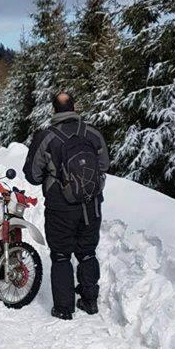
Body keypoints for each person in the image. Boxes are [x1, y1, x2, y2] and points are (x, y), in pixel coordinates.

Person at [23, 91, 109, 320]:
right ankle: (90, 301)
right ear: (75, 106)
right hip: (91, 204)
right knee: (88, 253)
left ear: (53, 110)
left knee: (61, 255)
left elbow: (32, 175)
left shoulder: (46, 137)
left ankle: (64, 308)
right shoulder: (92, 133)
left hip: (60, 206)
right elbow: (104, 164)